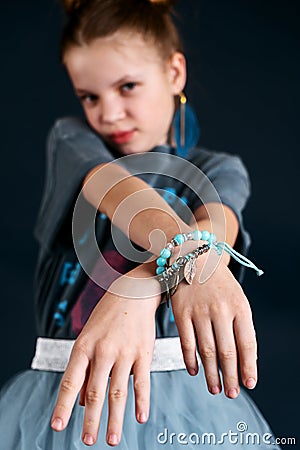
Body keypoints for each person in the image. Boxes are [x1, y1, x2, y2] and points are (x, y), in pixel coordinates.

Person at [0, 0, 280, 448]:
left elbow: (216, 229)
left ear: (174, 73)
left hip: (182, 406)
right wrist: (187, 255)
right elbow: (115, 188)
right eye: (90, 96)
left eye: (127, 86)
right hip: (63, 395)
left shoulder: (220, 169)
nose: (108, 114)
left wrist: (144, 283)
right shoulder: (74, 141)